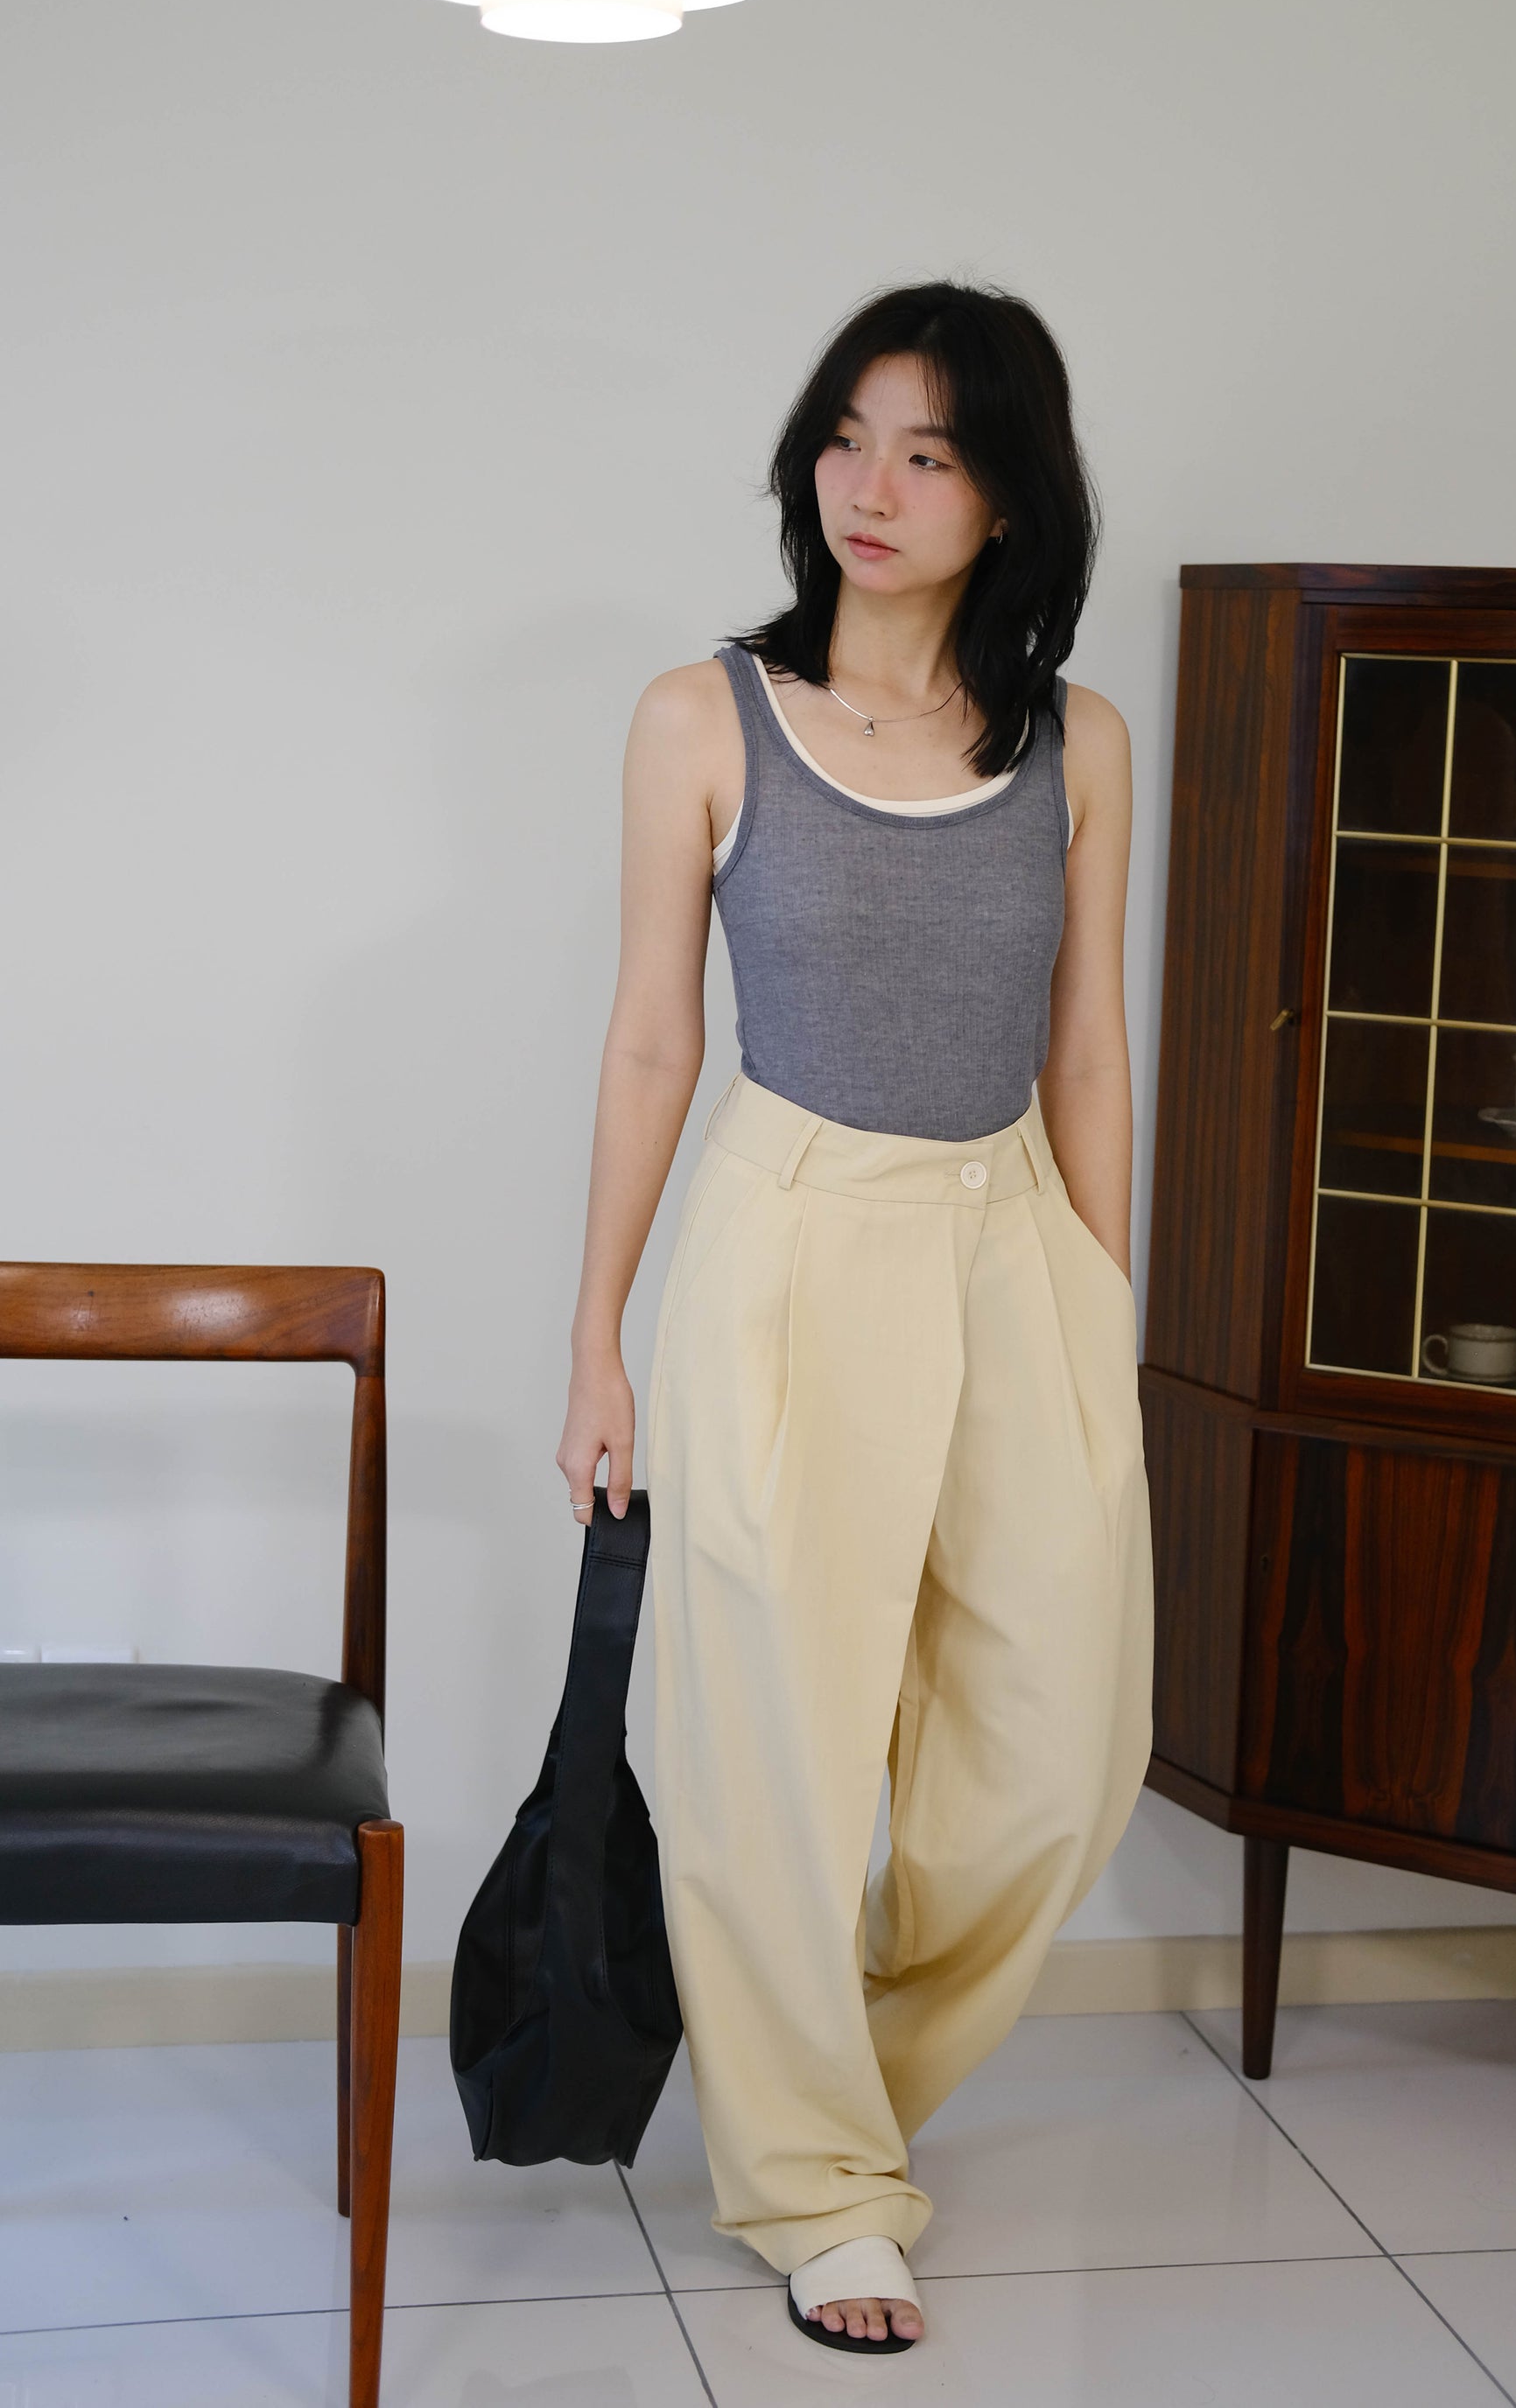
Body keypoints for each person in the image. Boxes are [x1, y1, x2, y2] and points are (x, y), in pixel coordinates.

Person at [557, 280, 1153, 2355]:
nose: (870, 485)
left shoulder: (1078, 743)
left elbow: (1090, 1049)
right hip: (787, 1237)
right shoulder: (702, 717)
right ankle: (817, 2182)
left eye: (928, 450)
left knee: (1054, 1755)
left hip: (1014, 1236)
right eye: (844, 436)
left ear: (1009, 497)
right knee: (778, 1755)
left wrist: (1099, 1313)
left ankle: (817, 2087)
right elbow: (653, 1040)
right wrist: (595, 1338)